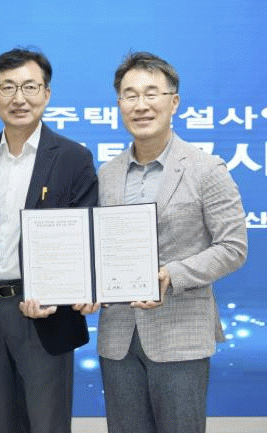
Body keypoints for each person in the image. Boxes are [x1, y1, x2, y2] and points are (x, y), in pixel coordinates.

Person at [96, 51, 248, 433]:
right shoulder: (106, 174)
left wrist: (172, 274)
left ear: (173, 102)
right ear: (119, 104)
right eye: (130, 95)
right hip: (118, 337)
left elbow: (233, 247)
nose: (141, 105)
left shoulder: (206, 168)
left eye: (152, 93)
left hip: (180, 335)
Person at [0, 48, 98, 433]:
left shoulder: (74, 157)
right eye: (8, 87)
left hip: (47, 313)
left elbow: (85, 234)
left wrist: (62, 290)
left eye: (30, 87)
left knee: (48, 424)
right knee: (6, 423)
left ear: (46, 94)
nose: (19, 98)